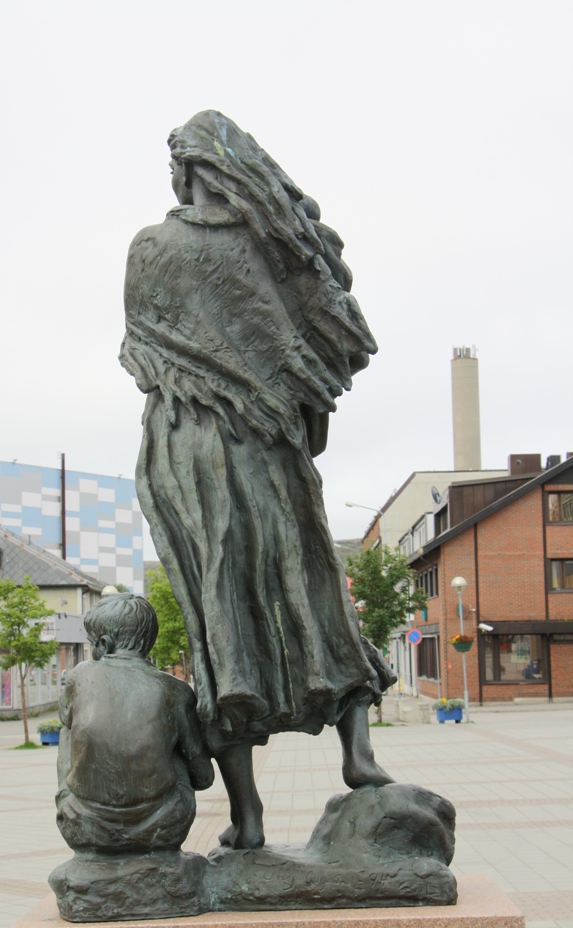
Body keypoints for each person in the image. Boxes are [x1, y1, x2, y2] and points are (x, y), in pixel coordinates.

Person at [120, 110, 395, 851]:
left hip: (192, 447)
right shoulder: (275, 252)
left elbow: (145, 353)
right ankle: (357, 754)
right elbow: (329, 345)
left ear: (184, 170)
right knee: (311, 585)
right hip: (269, 445)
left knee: (222, 615)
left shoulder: (152, 246)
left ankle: (248, 819)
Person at [56, 593, 214, 854]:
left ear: (104, 644)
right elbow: (204, 777)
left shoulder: (80, 675)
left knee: (67, 730)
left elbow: (70, 724)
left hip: (83, 825)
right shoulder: (177, 690)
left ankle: (77, 801)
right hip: (164, 826)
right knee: (176, 747)